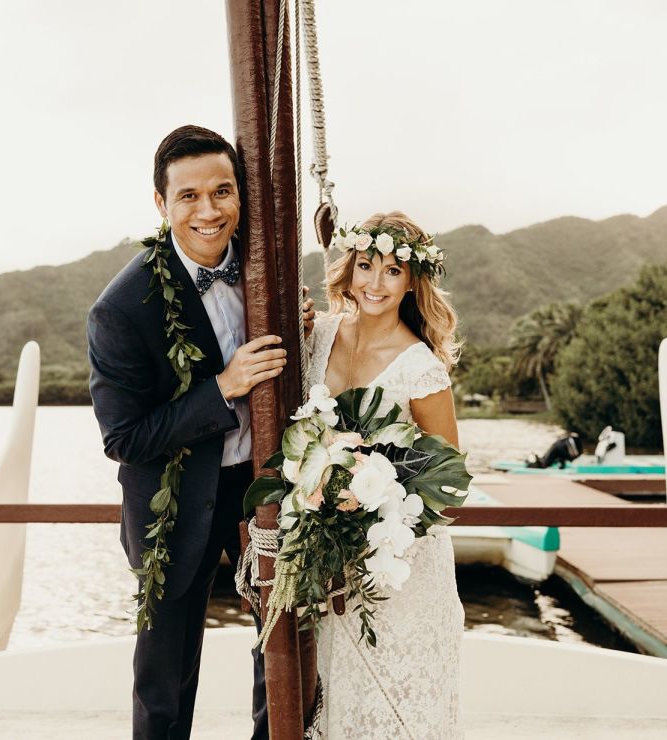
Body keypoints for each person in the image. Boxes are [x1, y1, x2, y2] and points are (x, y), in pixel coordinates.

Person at [87, 124, 312, 740]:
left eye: (222, 191)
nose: (209, 211)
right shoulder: (120, 308)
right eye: (189, 196)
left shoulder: (272, 274)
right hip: (172, 501)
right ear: (161, 203)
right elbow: (123, 438)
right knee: (164, 685)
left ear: (241, 195)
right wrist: (222, 388)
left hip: (262, 489)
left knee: (283, 655)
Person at [306, 211, 465, 738]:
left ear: (411, 281)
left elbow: (446, 480)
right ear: (349, 268)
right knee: (340, 694)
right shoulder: (319, 335)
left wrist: (373, 497)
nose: (375, 283)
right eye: (366, 265)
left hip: (399, 565)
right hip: (330, 554)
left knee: (397, 702)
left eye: (392, 271)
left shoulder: (420, 367)